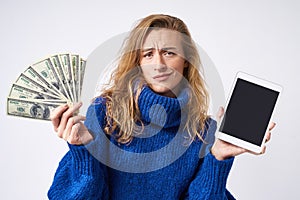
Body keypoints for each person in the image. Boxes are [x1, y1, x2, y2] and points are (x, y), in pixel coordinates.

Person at [47, 14, 275, 200]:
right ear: (138, 63)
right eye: (148, 54)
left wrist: (218, 157)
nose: (159, 64)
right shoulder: (105, 113)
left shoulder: (204, 131)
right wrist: (83, 149)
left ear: (186, 60)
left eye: (169, 52)